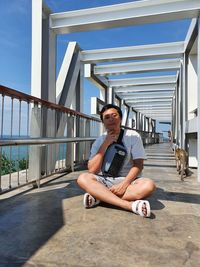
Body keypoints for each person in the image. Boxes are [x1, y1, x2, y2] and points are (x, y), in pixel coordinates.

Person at [77, 104, 156, 217]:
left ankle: (100, 196)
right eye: (107, 117)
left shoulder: (133, 136)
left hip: (129, 180)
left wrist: (124, 184)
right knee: (83, 178)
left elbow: (138, 165)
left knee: (149, 186)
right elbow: (93, 170)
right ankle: (128, 206)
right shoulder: (99, 141)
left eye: (114, 115)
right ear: (103, 122)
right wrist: (105, 143)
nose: (111, 119)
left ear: (121, 118)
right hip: (106, 180)